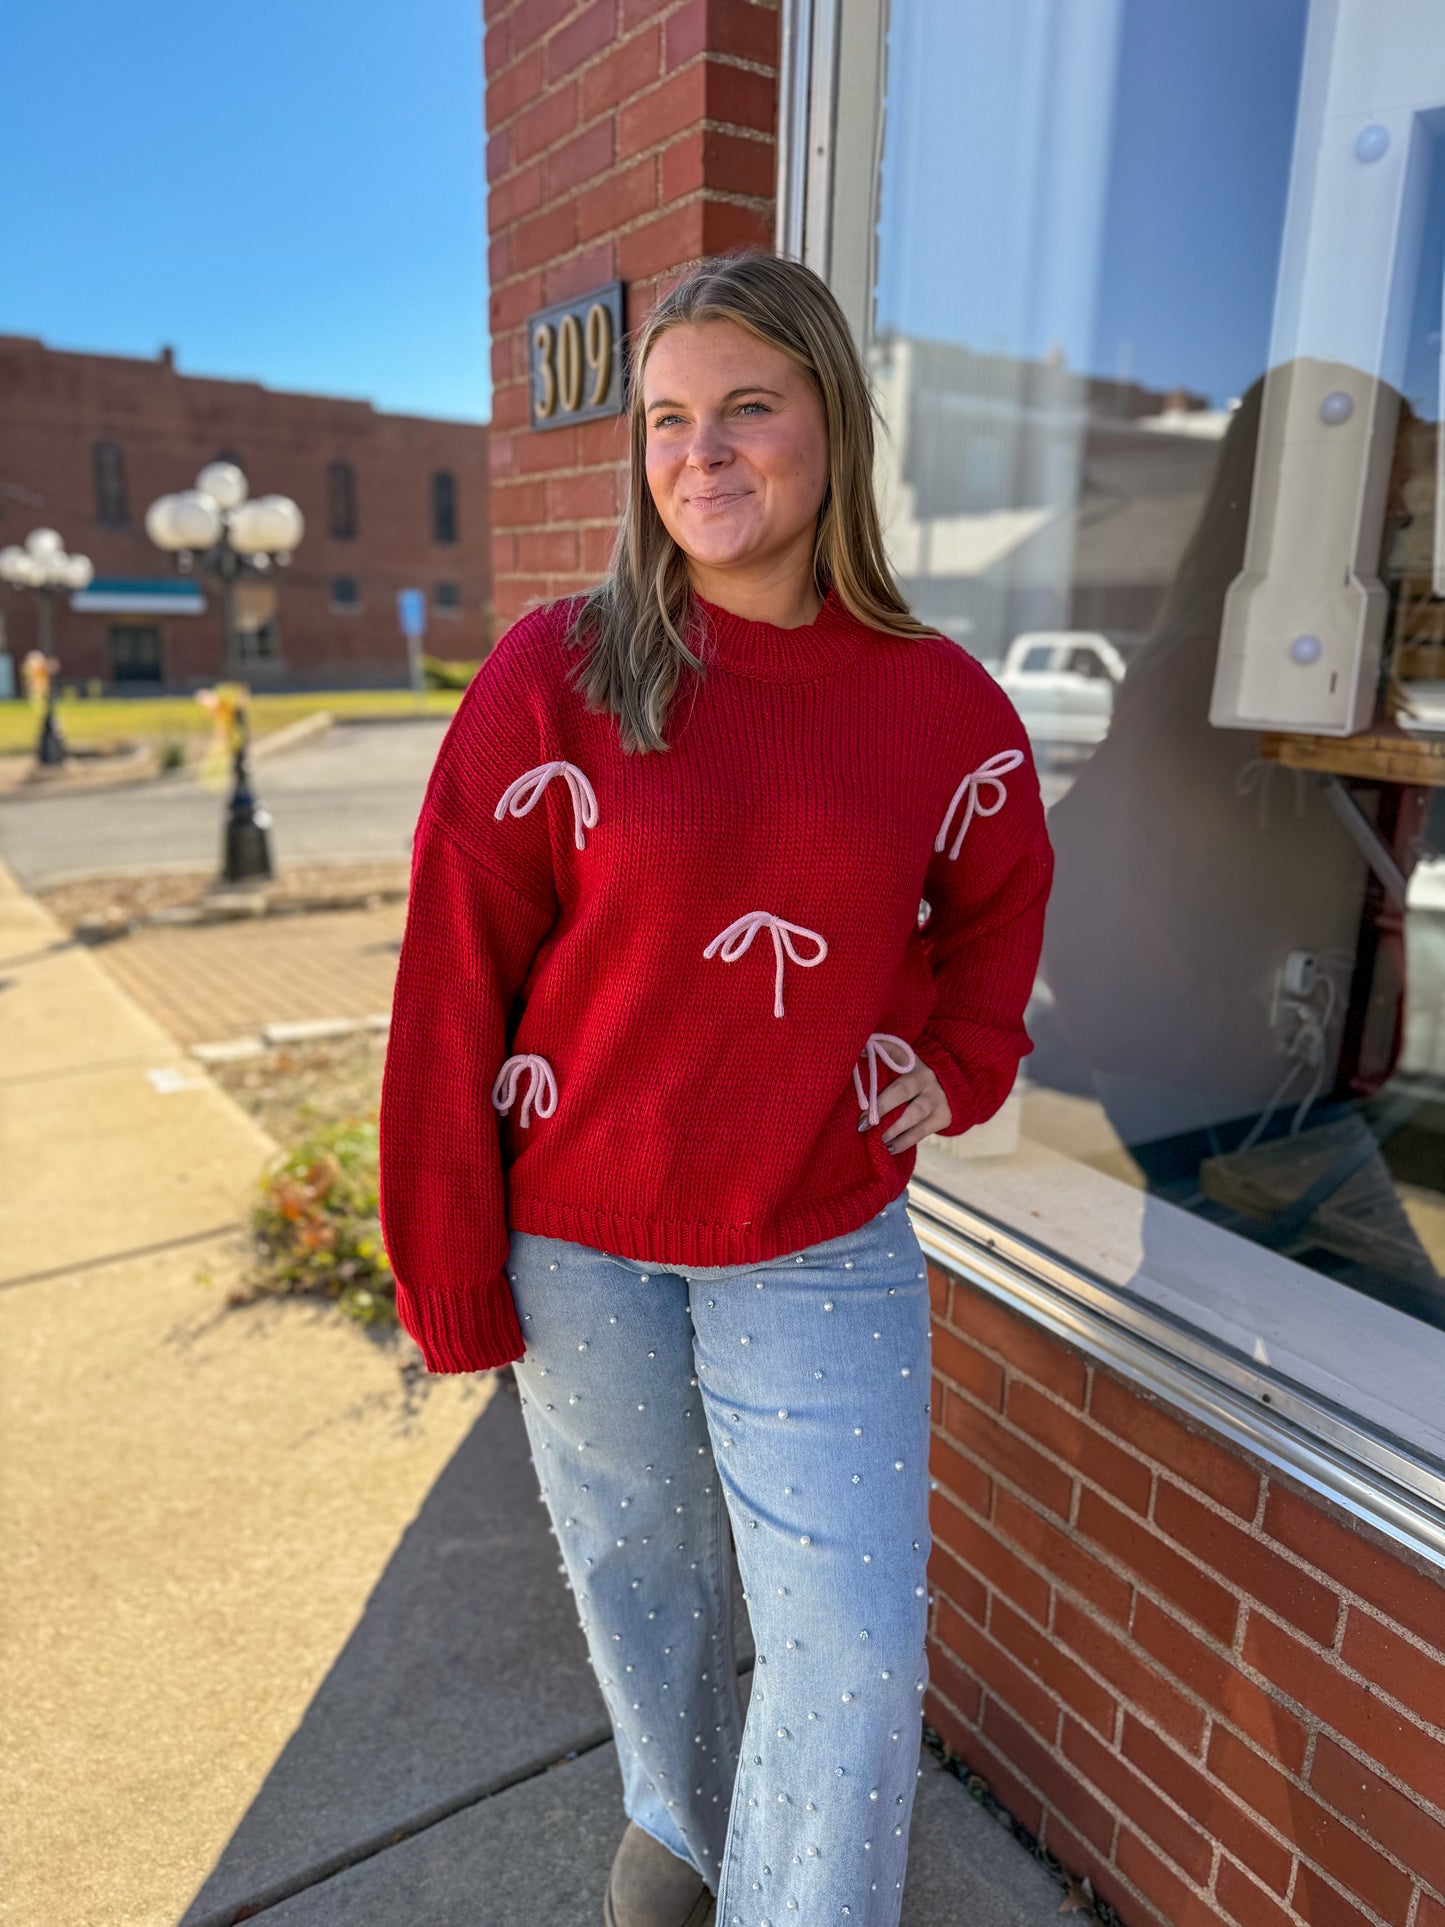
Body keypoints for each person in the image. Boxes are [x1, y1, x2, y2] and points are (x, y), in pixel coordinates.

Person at [377, 252, 1054, 1927]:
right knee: (641, 1575)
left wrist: (957, 1063)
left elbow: (997, 905)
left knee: (850, 1650)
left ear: (829, 421)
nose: (702, 454)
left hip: (815, 1227)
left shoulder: (937, 707)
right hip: (581, 1229)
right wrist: (448, 1258)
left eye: (747, 407)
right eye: (668, 419)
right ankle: (679, 1829)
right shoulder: (561, 677)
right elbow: (452, 987)